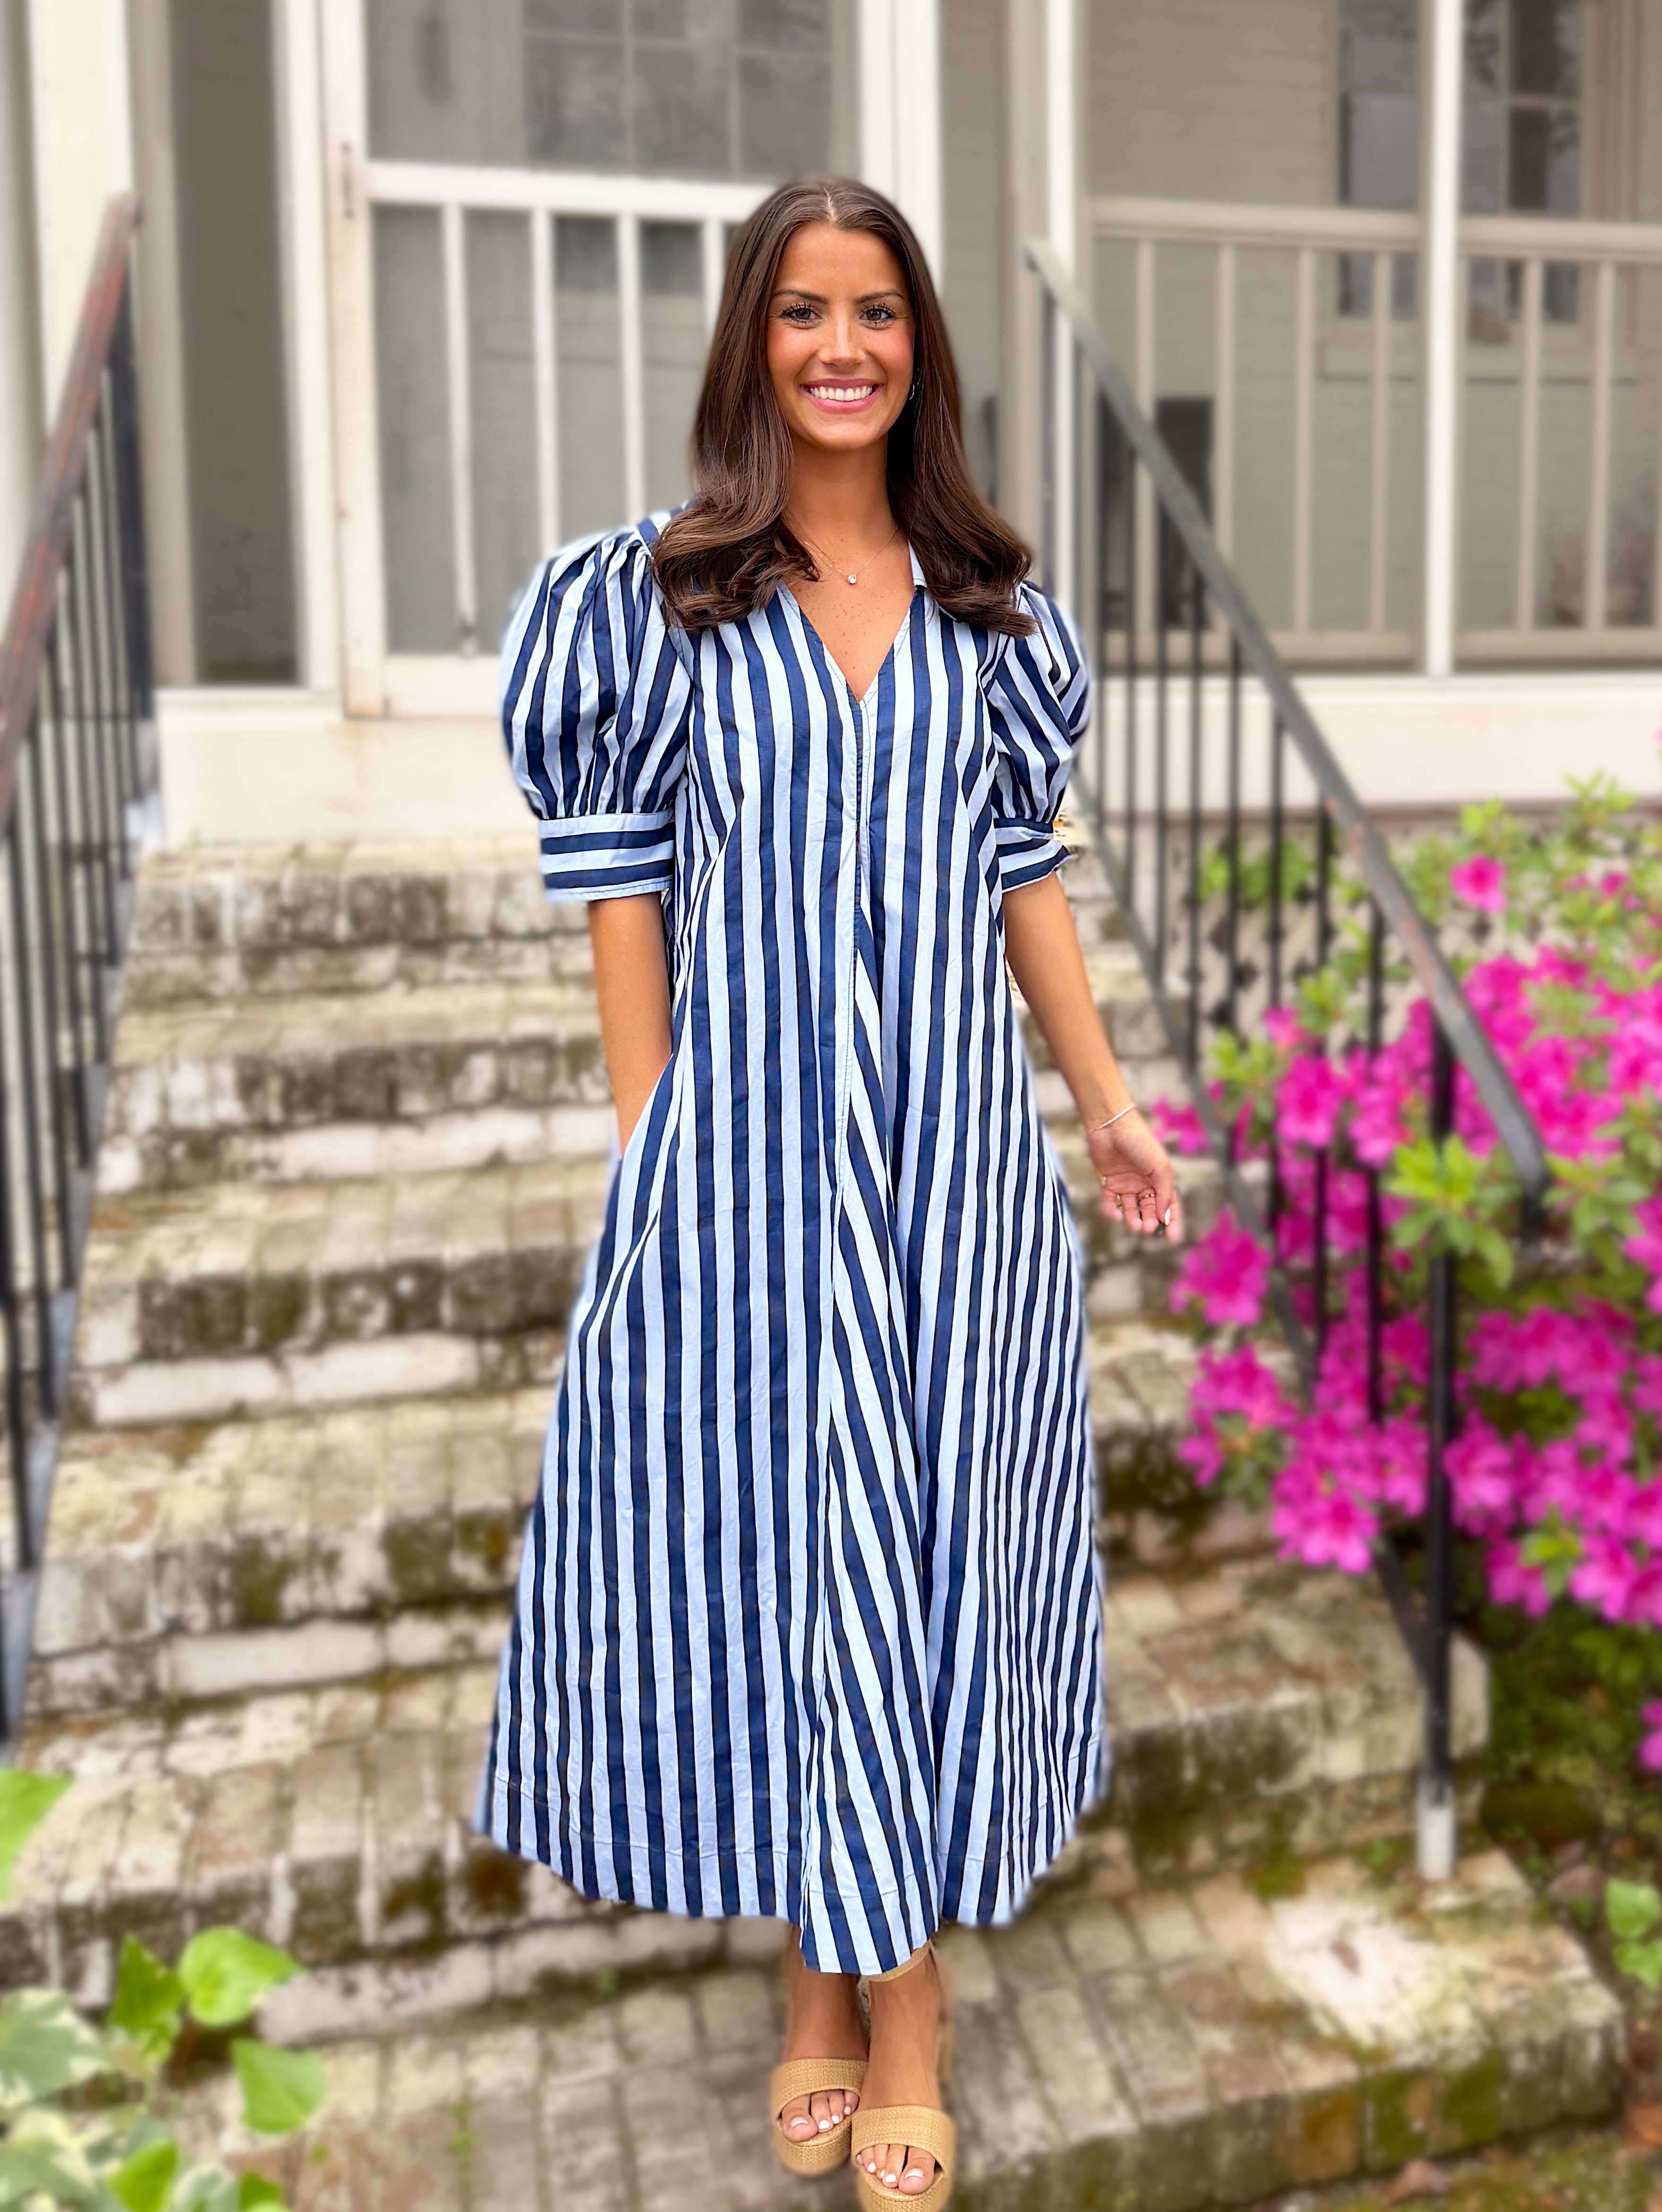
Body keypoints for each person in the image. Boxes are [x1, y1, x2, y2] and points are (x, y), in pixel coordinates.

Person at [479, 176, 1181, 2208]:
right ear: (752, 342)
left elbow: (1021, 883)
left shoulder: (996, 617)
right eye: (804, 311)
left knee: (934, 1562)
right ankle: (821, 1978)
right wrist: (653, 1162)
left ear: (920, 347)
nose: (843, 345)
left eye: (878, 310)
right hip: (751, 1180)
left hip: (957, 1180)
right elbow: (622, 908)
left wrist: (1109, 1103)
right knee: (796, 1573)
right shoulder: (654, 599)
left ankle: (906, 2004)